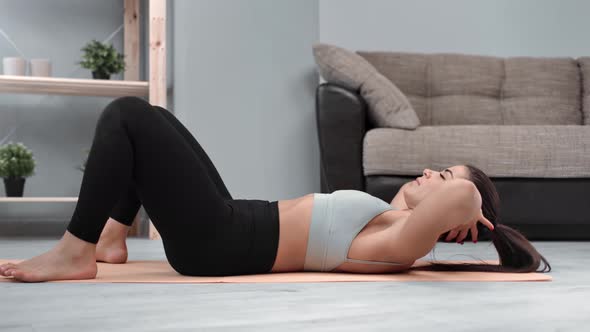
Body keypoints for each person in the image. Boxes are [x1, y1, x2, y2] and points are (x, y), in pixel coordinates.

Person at [0, 97, 550, 282]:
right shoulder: (390, 220)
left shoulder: (401, 242)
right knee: (153, 121)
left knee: (127, 115)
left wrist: (473, 205)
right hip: (230, 221)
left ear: (456, 222)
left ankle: (77, 250)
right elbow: (457, 196)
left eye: (445, 177)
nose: (431, 175)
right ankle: (111, 239)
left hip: (219, 241)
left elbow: (465, 201)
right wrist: (458, 193)